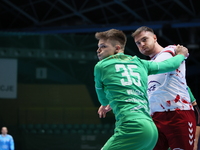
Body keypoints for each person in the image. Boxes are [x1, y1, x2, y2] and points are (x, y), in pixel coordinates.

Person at [94, 28, 188, 150]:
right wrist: (181, 54)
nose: (98, 50)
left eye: (103, 46)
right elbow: (170, 65)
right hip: (152, 131)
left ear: (117, 48)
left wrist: (107, 102)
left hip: (131, 128)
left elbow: (103, 100)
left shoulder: (101, 66)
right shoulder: (140, 63)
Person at [131, 26, 198, 150]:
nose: (142, 44)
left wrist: (181, 54)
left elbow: (170, 64)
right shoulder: (148, 68)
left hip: (178, 114)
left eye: (144, 39)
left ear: (155, 37)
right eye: (138, 43)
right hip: (154, 118)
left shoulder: (171, 51)